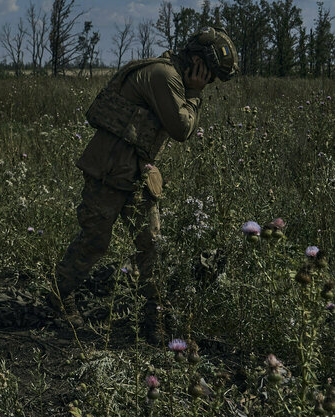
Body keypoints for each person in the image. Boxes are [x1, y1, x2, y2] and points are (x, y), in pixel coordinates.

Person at [48, 27, 239, 343]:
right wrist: (194, 95)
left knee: (151, 244)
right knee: (95, 240)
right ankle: (59, 294)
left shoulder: (171, 75)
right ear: (198, 61)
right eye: (211, 75)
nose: (210, 82)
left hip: (137, 173)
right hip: (109, 171)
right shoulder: (164, 76)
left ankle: (154, 318)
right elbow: (181, 127)